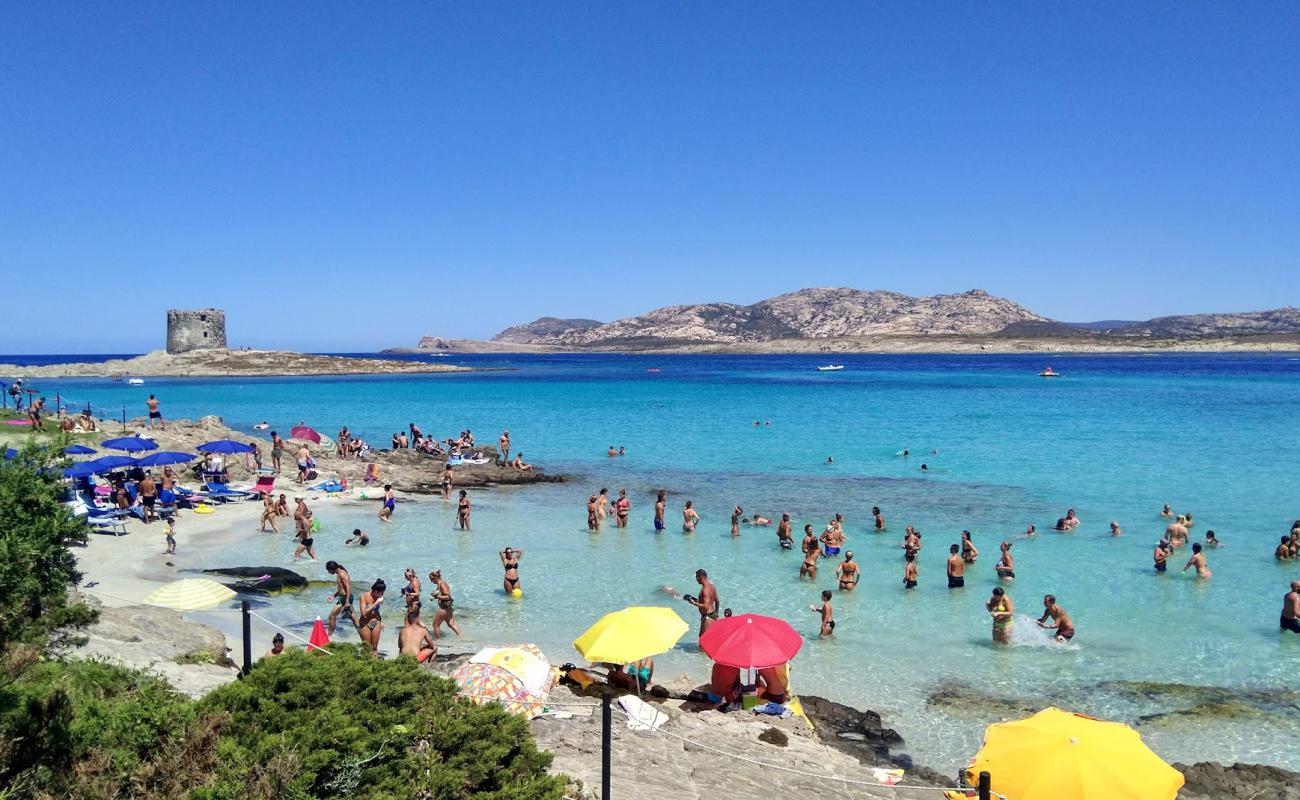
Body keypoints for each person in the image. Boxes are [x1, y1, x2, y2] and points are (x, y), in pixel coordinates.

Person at [429, 569, 463, 638]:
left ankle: (438, 641)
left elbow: (448, 596)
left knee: (435, 625)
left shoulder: (442, 584)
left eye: (431, 579)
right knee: (451, 624)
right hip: (448, 607)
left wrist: (437, 596)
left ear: (435, 578)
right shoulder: (439, 585)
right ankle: (462, 638)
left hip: (444, 608)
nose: (431, 581)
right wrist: (435, 594)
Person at [684, 569, 719, 636]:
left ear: (701, 577)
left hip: (707, 617)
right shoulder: (712, 587)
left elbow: (706, 606)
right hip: (713, 614)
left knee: (702, 638)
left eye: (697, 577)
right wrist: (716, 613)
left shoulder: (704, 590)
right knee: (710, 637)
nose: (696, 579)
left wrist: (694, 603)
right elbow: (717, 600)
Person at [326, 560, 355, 635]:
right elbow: (341, 589)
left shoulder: (341, 573)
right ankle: (362, 632)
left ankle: (329, 636)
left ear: (332, 569)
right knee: (353, 618)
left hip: (345, 598)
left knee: (332, 616)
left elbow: (348, 587)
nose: (328, 572)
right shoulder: (339, 573)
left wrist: (347, 601)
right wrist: (334, 596)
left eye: (328, 570)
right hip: (344, 597)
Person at [357, 579, 386, 655]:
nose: (382, 595)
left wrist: (381, 621)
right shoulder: (363, 596)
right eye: (381, 593)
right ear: (376, 591)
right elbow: (363, 613)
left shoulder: (378, 597)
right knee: (368, 648)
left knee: (374, 647)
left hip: (376, 622)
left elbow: (376, 611)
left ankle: (375, 663)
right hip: (365, 623)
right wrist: (376, 603)